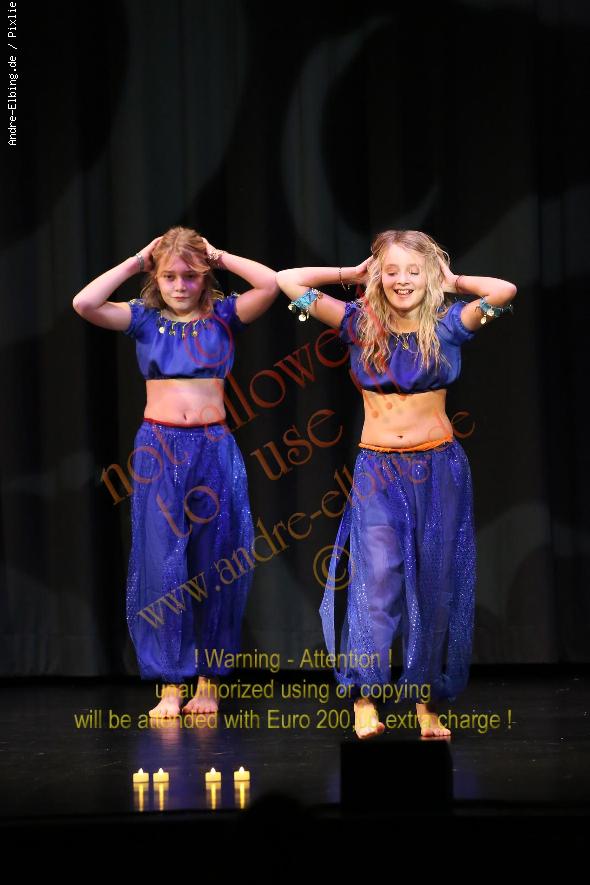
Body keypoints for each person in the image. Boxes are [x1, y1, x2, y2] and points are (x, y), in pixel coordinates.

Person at [277, 230, 516, 739]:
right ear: (378, 276)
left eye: (413, 270)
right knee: (377, 584)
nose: (402, 280)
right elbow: (288, 281)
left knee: (433, 587)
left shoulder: (449, 324)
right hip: (379, 471)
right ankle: (365, 697)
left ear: (428, 275)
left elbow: (503, 291)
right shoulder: (358, 323)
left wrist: (454, 281)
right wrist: (350, 274)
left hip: (439, 469)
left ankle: (426, 700)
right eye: (391, 270)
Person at [72, 227, 279, 718]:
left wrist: (220, 256)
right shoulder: (144, 320)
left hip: (212, 447)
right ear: (156, 277)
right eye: (169, 276)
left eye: (190, 275)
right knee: (161, 563)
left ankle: (208, 680)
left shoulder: (223, 316)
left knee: (216, 561)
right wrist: (137, 259)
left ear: (204, 277)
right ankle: (170, 682)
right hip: (159, 449)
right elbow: (84, 303)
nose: (180, 285)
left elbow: (270, 284)